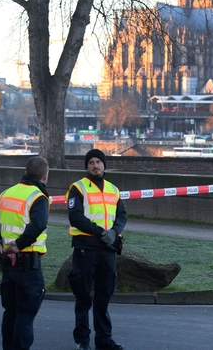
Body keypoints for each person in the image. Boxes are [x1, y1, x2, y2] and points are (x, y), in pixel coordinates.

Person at [0, 156, 51, 350]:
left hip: (7, 262)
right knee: (26, 313)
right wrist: (18, 245)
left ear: (25, 171)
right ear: (45, 176)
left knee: (11, 312)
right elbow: (39, 224)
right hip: (28, 263)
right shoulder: (38, 197)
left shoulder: (6, 193)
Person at [67, 149, 128, 350]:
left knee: (104, 296)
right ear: (87, 166)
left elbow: (122, 216)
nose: (96, 166)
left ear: (104, 165)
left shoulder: (113, 189)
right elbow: (75, 217)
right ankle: (83, 340)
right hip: (86, 248)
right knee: (84, 296)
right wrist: (102, 232)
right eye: (92, 162)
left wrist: (114, 231)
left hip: (108, 250)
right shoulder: (78, 188)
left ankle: (104, 339)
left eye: (99, 162)